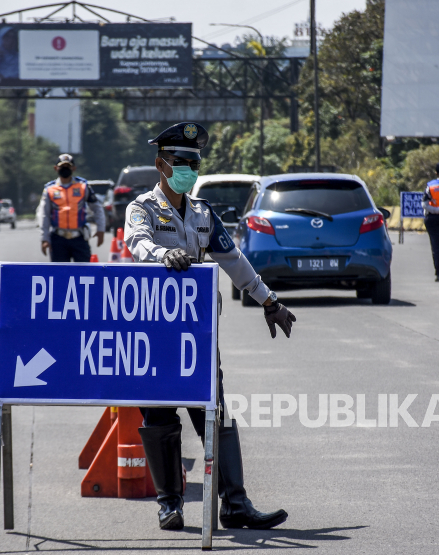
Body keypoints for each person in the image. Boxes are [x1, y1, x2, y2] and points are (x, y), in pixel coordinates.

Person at [124, 122, 297, 531]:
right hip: (156, 334)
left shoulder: (203, 213)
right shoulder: (142, 209)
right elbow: (137, 242)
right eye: (181, 162)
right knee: (161, 416)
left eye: (194, 163)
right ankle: (170, 505)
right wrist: (163, 256)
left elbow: (234, 261)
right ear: (161, 165)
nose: (188, 170)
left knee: (215, 413)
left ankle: (235, 504)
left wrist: (269, 301)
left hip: (199, 334)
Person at [38, 154, 105, 262]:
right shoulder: (50, 189)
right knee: (60, 275)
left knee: (84, 274)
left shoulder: (83, 186)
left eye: (68, 167)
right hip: (58, 238)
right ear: (56, 168)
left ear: (74, 168)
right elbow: (44, 215)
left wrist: (100, 230)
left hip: (79, 237)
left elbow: (97, 208)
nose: (65, 169)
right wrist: (44, 238)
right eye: (62, 167)